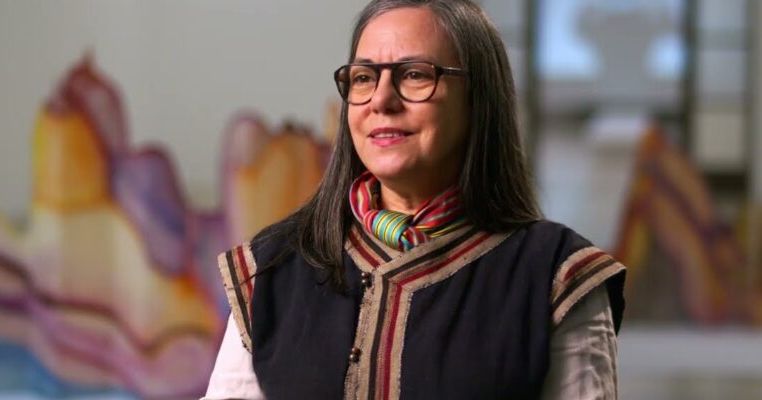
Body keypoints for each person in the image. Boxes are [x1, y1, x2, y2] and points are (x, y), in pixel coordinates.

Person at [203, 0, 626, 398]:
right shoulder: (270, 269)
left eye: (415, 75)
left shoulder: (557, 276)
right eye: (364, 78)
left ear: (479, 98)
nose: (382, 100)